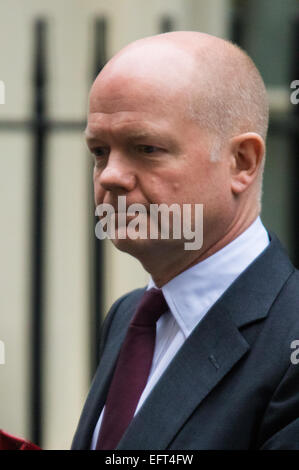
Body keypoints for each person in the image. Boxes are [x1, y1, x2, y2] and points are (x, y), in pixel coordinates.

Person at [71, 31, 299, 450]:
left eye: (146, 147)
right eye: (99, 151)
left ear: (241, 162)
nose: (109, 176)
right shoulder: (130, 315)